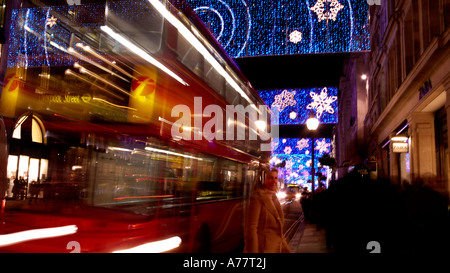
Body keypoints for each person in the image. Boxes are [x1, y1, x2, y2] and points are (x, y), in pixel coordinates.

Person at [244, 168, 291, 253]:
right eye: (270, 178)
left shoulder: (273, 197)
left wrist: (287, 249)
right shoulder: (257, 198)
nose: (274, 181)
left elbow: (278, 233)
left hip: (277, 248)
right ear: (262, 179)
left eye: (275, 178)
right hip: (264, 249)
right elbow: (251, 229)